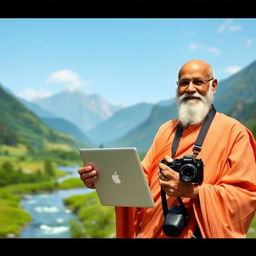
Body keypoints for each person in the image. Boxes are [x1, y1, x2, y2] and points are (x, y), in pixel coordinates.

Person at [78, 60, 256, 238]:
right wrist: (102, 179)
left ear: (213, 85)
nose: (190, 89)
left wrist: (192, 192)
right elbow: (143, 178)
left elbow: (246, 195)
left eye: (198, 82)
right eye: (184, 83)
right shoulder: (166, 130)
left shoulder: (234, 132)